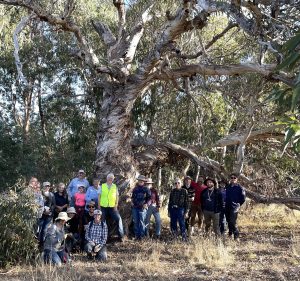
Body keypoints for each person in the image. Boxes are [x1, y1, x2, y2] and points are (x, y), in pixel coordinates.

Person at [99, 173, 124, 241]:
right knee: (103, 221)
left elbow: (117, 196)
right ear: (107, 178)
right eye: (109, 177)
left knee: (118, 219)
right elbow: (99, 196)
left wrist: (116, 205)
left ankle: (121, 236)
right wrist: (99, 206)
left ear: (113, 179)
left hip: (112, 207)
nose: (110, 179)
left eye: (112, 178)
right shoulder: (102, 186)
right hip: (103, 207)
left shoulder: (114, 186)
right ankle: (104, 237)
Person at [225, 173, 246, 240]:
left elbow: (243, 198)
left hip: (235, 207)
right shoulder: (227, 187)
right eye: (232, 178)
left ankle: (236, 235)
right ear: (230, 179)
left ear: (237, 179)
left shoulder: (240, 188)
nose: (233, 179)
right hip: (227, 206)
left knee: (232, 221)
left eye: (235, 178)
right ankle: (230, 233)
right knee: (228, 221)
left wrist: (238, 204)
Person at [131, 175, 151, 240]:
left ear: (144, 181)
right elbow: (132, 197)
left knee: (142, 222)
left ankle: (142, 237)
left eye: (142, 180)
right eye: (139, 180)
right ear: (138, 181)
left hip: (142, 208)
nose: (140, 181)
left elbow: (150, 199)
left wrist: (147, 204)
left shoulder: (146, 189)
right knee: (136, 222)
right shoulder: (135, 189)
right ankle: (137, 236)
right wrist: (131, 202)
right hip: (135, 208)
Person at [38, 181, 56, 246]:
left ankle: (42, 243)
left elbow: (54, 204)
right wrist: (43, 210)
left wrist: (50, 211)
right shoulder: (40, 194)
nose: (47, 187)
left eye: (48, 186)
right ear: (43, 186)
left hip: (49, 215)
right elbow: (37, 204)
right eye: (46, 186)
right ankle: (38, 243)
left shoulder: (52, 195)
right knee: (40, 228)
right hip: (41, 214)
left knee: (45, 229)